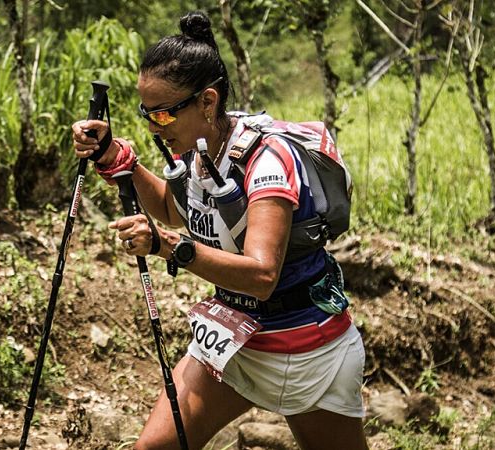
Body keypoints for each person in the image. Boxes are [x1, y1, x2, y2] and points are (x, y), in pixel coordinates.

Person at [71, 11, 368, 450]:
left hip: (305, 347)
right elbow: (174, 210)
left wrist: (168, 247)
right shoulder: (198, 146)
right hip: (233, 338)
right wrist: (117, 158)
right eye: (146, 114)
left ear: (207, 102)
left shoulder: (267, 161)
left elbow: (262, 276)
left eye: (163, 115)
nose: (152, 127)